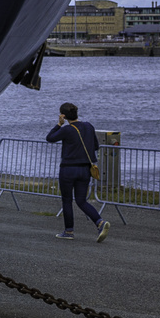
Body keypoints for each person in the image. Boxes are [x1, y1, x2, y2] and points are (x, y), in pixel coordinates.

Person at [47, 102, 109, 242]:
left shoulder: (67, 129)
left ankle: (69, 231)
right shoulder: (89, 126)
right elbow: (96, 146)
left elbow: (50, 138)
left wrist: (58, 124)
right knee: (81, 200)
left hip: (68, 169)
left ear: (63, 115)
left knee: (67, 200)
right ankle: (99, 222)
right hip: (85, 169)